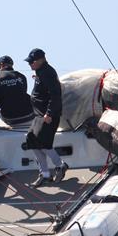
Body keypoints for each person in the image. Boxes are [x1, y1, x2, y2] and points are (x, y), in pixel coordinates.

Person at [24, 48, 68, 186]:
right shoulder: (40, 71)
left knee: (44, 142)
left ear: (40, 60)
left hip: (47, 115)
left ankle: (60, 165)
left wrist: (49, 113)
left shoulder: (47, 72)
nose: (30, 64)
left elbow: (55, 95)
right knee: (31, 139)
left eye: (32, 62)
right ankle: (45, 174)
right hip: (38, 114)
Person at [0, 55, 35, 126]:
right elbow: (18, 94)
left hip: (11, 119)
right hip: (29, 115)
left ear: (2, 65)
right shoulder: (21, 76)